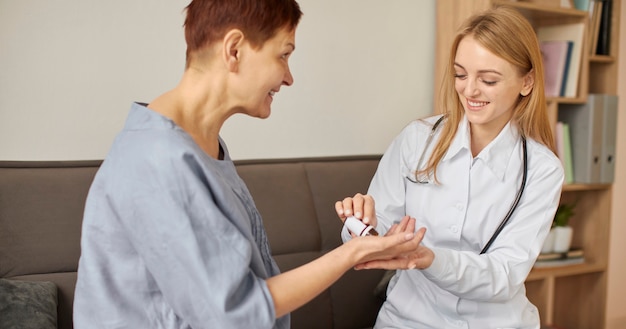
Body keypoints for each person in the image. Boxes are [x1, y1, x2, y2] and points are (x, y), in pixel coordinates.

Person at [72, 1, 426, 328]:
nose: (289, 77)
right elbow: (234, 312)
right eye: (283, 55)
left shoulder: (200, 146)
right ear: (234, 50)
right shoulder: (157, 161)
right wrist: (352, 253)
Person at [335, 6, 564, 329]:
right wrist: (361, 224)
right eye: (460, 74)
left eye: (488, 79)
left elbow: (503, 275)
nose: (469, 90)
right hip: (407, 321)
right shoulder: (417, 140)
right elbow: (374, 236)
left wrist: (431, 260)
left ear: (526, 82)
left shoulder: (541, 170)